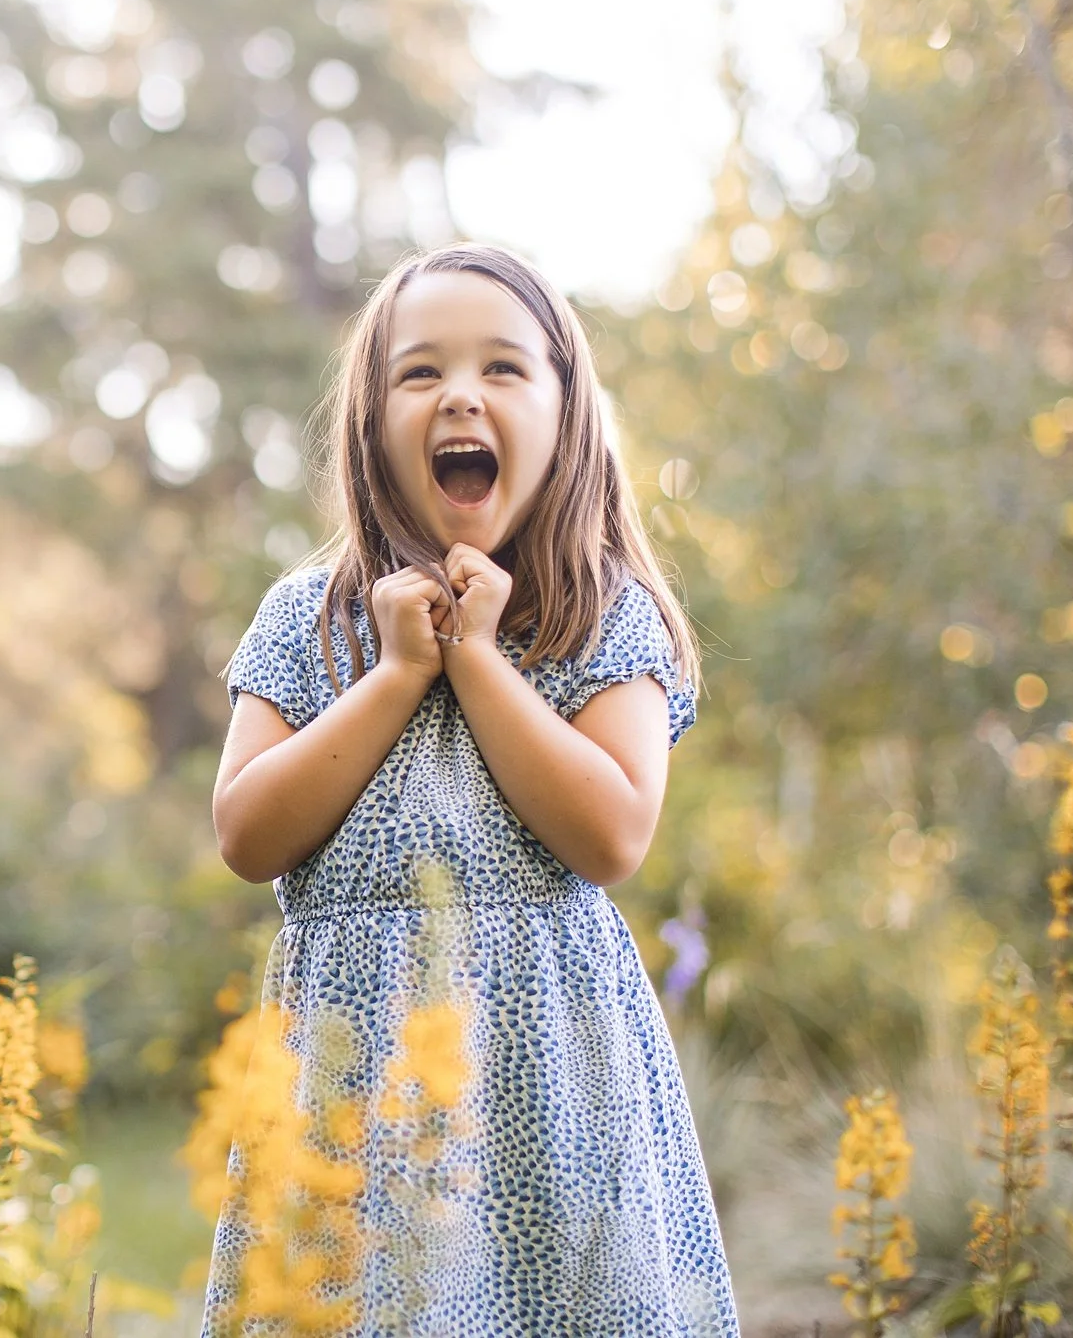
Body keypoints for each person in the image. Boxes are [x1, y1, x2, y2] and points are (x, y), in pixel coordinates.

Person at [205, 244, 737, 1334]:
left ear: (564, 414)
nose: (459, 392)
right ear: (369, 427)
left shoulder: (602, 613)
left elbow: (610, 835)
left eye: (502, 368)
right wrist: (401, 670)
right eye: (418, 372)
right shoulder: (309, 620)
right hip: (348, 1089)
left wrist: (479, 660)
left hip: (551, 1094)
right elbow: (247, 833)